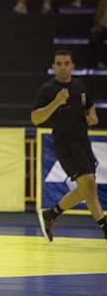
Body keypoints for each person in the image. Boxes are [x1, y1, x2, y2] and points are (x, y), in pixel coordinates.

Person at [31, 49, 107, 242]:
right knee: (88, 184)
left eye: (66, 63)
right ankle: (104, 226)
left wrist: (93, 114)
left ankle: (52, 213)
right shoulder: (47, 90)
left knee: (86, 189)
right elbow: (35, 119)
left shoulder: (80, 85)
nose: (63, 67)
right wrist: (56, 102)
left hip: (83, 141)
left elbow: (89, 105)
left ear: (72, 66)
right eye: (59, 63)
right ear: (53, 67)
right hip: (64, 144)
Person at [90, 0, 107, 69]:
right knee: (96, 35)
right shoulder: (104, 0)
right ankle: (100, 61)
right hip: (104, 28)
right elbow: (98, 16)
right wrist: (97, 26)